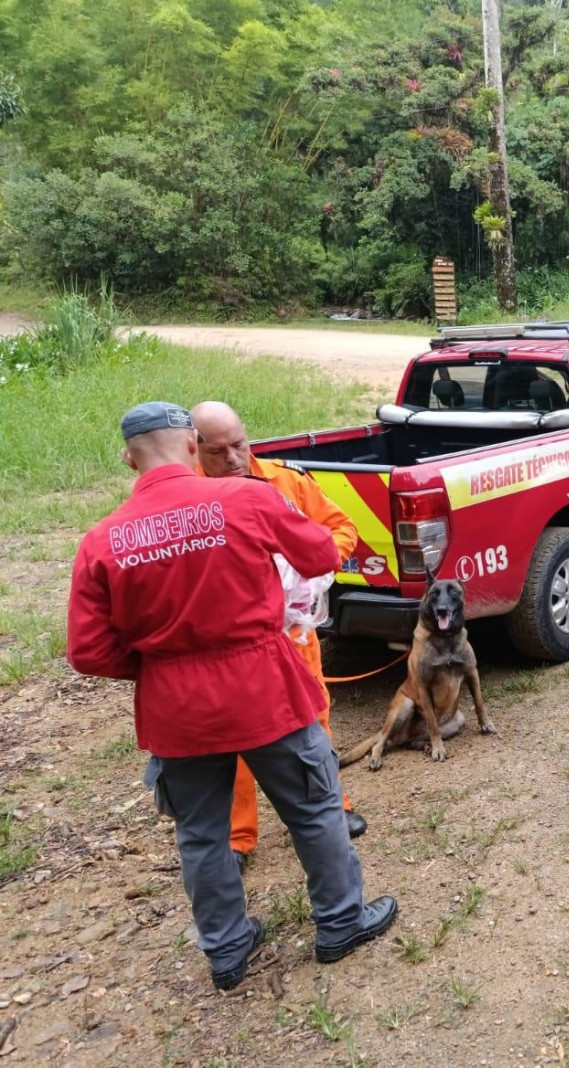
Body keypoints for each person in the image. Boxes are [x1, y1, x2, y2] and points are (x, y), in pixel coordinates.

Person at [67, 403, 397, 990]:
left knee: (199, 833)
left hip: (176, 711)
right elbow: (321, 554)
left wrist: (161, 668)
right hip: (263, 688)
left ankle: (225, 949)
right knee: (315, 809)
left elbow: (88, 651)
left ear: (127, 458)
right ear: (193, 446)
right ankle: (340, 923)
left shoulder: (102, 540)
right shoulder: (247, 498)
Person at [190, 401, 367, 870]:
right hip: (227, 646)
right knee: (236, 741)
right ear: (194, 450)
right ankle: (237, 838)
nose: (232, 458)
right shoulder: (187, 499)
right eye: (218, 451)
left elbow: (341, 528)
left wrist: (313, 572)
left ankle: (332, 810)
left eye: (239, 445)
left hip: (292, 636)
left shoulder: (286, 481)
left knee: (314, 722)